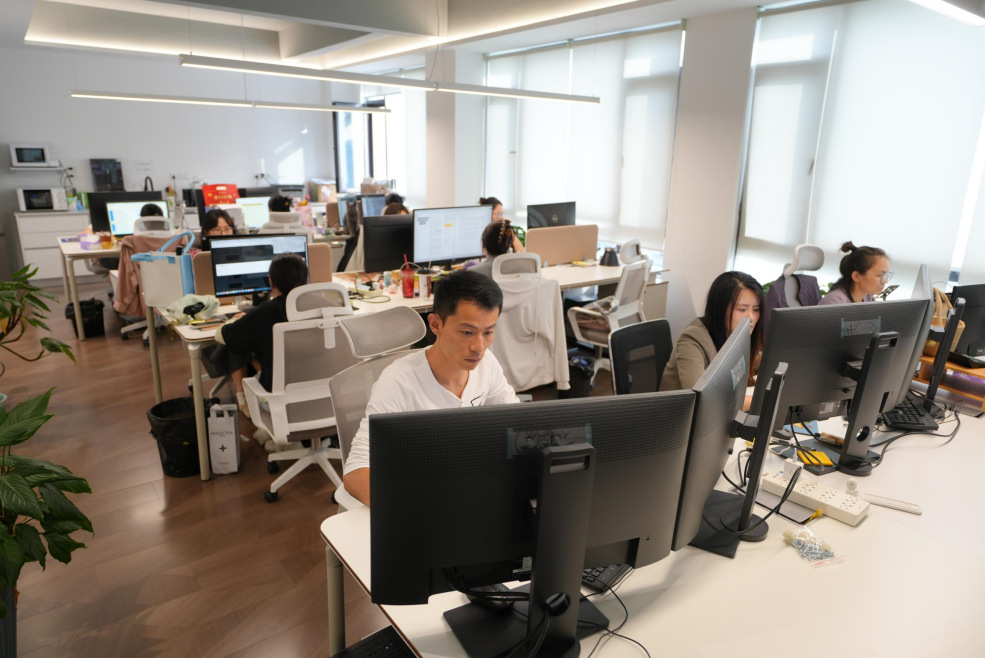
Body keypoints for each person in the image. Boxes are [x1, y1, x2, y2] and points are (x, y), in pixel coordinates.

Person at [342, 270, 520, 506]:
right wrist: (417, 509)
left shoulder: (487, 364)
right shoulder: (398, 382)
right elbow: (356, 472)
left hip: (465, 489)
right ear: (436, 324)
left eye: (488, 332)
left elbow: (518, 427)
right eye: (467, 332)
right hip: (418, 495)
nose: (479, 347)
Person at [214, 253, 308, 448]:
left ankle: (276, 431)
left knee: (254, 378)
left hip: (279, 399)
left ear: (271, 282)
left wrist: (236, 320)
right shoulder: (323, 307)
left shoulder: (263, 313)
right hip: (322, 397)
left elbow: (221, 337)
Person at [660, 271, 764, 408]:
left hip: (719, 419)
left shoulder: (737, 335)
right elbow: (703, 400)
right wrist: (761, 402)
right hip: (679, 418)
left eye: (756, 309)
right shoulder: (692, 340)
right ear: (720, 309)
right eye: (742, 309)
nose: (751, 317)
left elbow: (755, 361)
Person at [819, 242, 891, 305]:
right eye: (880, 275)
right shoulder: (836, 302)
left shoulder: (867, 296)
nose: (885, 281)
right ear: (856, 276)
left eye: (885, 275)